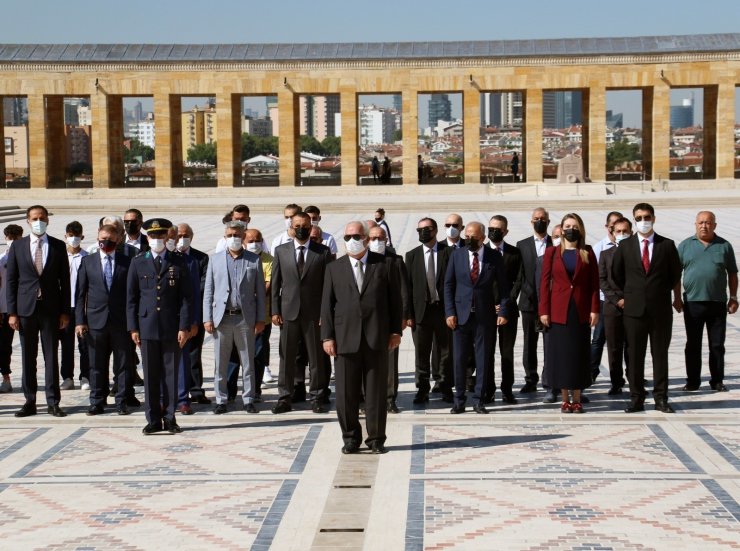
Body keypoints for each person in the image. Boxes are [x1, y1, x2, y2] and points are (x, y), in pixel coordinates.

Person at [321, 221, 402, 454]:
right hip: (345, 339)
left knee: (376, 393)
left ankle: (376, 439)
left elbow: (395, 302)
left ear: (366, 239)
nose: (351, 241)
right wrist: (327, 337)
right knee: (346, 395)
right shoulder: (334, 268)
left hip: (377, 338)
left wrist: (395, 331)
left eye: (356, 236)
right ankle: (351, 438)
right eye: (347, 237)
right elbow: (326, 306)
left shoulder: (384, 265)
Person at [612, 203, 682, 414]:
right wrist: (632, 294)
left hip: (659, 310)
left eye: (647, 217)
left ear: (653, 218)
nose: (643, 221)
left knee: (660, 354)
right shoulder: (625, 246)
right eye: (639, 217)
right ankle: (636, 397)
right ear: (634, 220)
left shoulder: (667, 245)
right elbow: (617, 274)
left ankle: (661, 397)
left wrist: (657, 292)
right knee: (634, 356)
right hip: (634, 311)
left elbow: (674, 274)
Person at [127, 218, 193, 434]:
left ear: (167, 237)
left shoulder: (178, 261)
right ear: (147, 237)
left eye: (161, 235)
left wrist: (184, 327)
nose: (157, 239)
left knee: (171, 374)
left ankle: (170, 417)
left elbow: (186, 298)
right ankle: (153, 418)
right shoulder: (138, 262)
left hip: (171, 326)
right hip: (146, 326)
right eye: (153, 236)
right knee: (151, 375)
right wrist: (133, 328)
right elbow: (131, 298)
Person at [7, 205, 71, 418]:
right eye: (35, 218)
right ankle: (30, 400)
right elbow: (12, 282)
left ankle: (53, 401)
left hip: (51, 310)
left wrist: (64, 312)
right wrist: (12, 313)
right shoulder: (17, 247)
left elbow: (65, 282)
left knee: (51, 355)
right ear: (28, 221)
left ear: (48, 221)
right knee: (28, 356)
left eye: (42, 218)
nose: (38, 221)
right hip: (26, 310)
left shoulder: (58, 246)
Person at [445, 221, 511, 414]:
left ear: (483, 237)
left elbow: (504, 288)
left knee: (483, 359)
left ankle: (478, 400)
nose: (469, 239)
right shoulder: (456, 256)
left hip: (485, 317)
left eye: (473, 236)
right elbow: (448, 285)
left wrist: (504, 311)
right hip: (460, 316)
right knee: (459, 359)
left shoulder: (494, 257)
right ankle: (459, 400)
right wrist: (449, 312)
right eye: (467, 236)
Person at [539, 213, 600, 413]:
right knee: (562, 356)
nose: (570, 229)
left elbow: (593, 284)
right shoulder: (552, 252)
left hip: (580, 310)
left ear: (580, 229)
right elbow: (545, 283)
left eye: (574, 226)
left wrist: (594, 309)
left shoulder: (588, 252)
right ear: (562, 229)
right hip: (558, 310)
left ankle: (577, 397)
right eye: (567, 226)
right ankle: (565, 399)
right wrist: (544, 310)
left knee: (578, 355)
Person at [271, 211, 331, 414]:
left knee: (316, 359)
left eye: (305, 225)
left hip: (314, 314)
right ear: (291, 227)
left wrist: (326, 313)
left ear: (311, 226)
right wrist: (275, 310)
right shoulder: (281, 251)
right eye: (297, 225)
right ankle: (284, 397)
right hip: (288, 313)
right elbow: (276, 284)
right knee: (287, 358)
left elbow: (328, 286)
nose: (301, 229)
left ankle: (316, 397)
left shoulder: (322, 252)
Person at [203, 221, 265, 414]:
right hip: (222, 318)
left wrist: (260, 318)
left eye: (237, 235)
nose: (233, 239)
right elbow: (209, 291)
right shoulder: (215, 260)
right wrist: (207, 317)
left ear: (243, 237)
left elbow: (260, 293)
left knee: (248, 362)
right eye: (230, 235)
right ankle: (221, 399)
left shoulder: (254, 260)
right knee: (220, 363)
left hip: (244, 318)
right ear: (225, 237)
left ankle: (248, 398)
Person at [75, 224, 133, 415]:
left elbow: (133, 293)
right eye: (102, 238)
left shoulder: (127, 261)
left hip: (121, 321)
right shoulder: (88, 261)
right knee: (96, 364)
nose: (105, 242)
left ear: (117, 239)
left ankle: (122, 400)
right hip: (95, 321)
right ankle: (97, 400)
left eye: (109, 238)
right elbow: (80, 294)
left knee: (123, 364)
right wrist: (80, 321)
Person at [678, 211, 738, 392]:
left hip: (717, 302)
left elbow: (733, 274)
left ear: (715, 225)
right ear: (695, 224)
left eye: (708, 222)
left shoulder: (724, 246)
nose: (704, 226)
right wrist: (676, 298)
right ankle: (693, 381)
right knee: (693, 344)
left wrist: (733, 297)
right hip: (692, 303)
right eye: (701, 222)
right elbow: (675, 274)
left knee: (717, 345)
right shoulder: (685, 246)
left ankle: (717, 380)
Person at [405, 217, 453, 404]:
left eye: (427, 229)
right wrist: (408, 315)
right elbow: (407, 288)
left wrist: (452, 311)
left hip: (443, 310)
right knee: (422, 353)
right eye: (420, 230)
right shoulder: (412, 255)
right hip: (421, 313)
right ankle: (422, 388)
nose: (423, 233)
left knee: (445, 352)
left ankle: (444, 386)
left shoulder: (448, 253)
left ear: (435, 230)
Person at [369, 224, 410, 413]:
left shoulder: (395, 261)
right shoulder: (361, 260)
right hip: (366, 320)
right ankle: (365, 399)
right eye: (373, 238)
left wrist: (402, 317)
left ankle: (389, 398)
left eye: (380, 238)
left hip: (388, 319)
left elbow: (403, 291)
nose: (377, 242)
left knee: (390, 361)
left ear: (386, 240)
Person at [516, 207, 553, 398]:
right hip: (529, 302)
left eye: (543, 218)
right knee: (529, 342)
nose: (540, 221)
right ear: (531, 222)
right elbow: (520, 274)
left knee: (550, 343)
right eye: (536, 218)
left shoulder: (555, 243)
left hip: (550, 303)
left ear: (548, 221)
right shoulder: (522, 245)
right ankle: (531, 379)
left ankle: (549, 380)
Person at [485, 215, 522, 404]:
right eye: (491, 228)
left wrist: (505, 305)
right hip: (486, 310)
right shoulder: (481, 251)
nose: (494, 231)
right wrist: (490, 304)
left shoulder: (514, 253)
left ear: (505, 231)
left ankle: (507, 389)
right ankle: (488, 389)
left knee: (506, 352)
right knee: (488, 352)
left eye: (498, 229)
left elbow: (518, 281)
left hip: (508, 311)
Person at [176, 223, 210, 406]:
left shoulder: (201, 258)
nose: (182, 238)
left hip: (195, 312)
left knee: (194, 354)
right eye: (179, 235)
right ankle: (178, 392)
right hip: (175, 315)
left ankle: (196, 390)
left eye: (185, 235)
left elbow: (204, 285)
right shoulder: (170, 257)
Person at [599, 217, 632, 396]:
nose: (621, 234)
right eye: (618, 231)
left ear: (631, 233)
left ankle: (634, 379)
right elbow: (602, 280)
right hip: (612, 307)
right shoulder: (605, 254)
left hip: (633, 305)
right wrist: (617, 299)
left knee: (632, 346)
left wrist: (629, 299)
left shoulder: (636, 254)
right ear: (612, 233)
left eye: (625, 231)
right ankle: (616, 381)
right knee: (613, 347)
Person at [589, 211, 623, 383]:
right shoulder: (599, 247)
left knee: (624, 340)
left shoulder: (628, 245)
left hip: (625, 301)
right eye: (613, 224)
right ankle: (592, 370)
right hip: (604, 300)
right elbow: (595, 277)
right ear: (607, 226)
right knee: (599, 338)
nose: (616, 227)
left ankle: (628, 373)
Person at [60, 221, 90, 391]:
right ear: (66, 236)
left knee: (84, 344)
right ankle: (67, 376)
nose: (74, 239)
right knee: (66, 344)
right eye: (71, 235)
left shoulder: (87, 258)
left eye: (77, 236)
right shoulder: (61, 257)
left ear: (82, 237)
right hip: (65, 307)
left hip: (82, 307)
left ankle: (85, 376)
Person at [0, 224, 23, 393]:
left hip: (23, 308)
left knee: (27, 345)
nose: (13, 241)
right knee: (4, 346)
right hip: (4, 309)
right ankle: (5, 377)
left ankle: (29, 379)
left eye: (16, 238)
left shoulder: (26, 258)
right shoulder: (1, 260)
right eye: (10, 238)